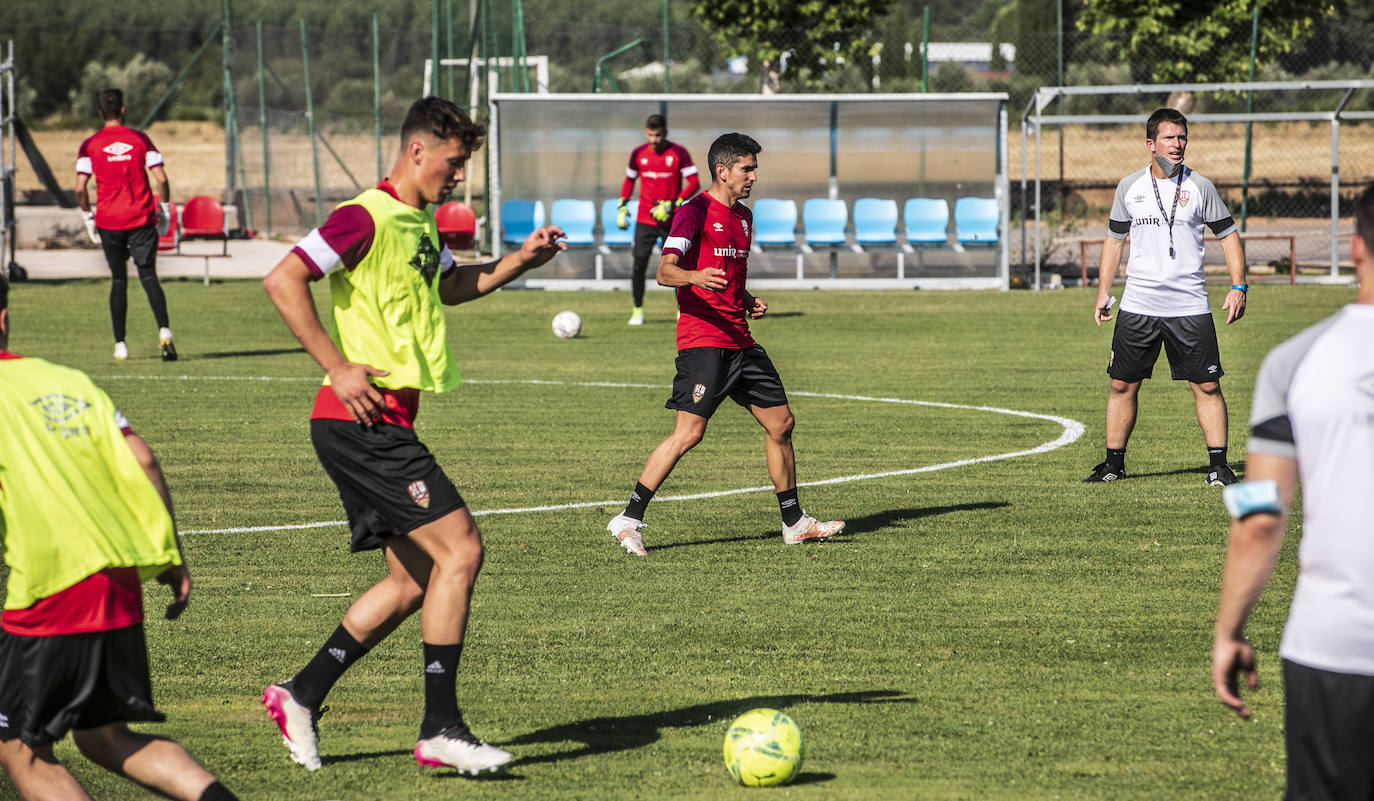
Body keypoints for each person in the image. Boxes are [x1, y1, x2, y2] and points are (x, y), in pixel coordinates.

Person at [259, 96, 565, 774]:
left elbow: (451, 287)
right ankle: (441, 727)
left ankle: (300, 693)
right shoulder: (363, 216)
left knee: (415, 576)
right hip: (362, 422)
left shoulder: (421, 225)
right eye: (454, 164)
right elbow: (283, 278)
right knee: (462, 548)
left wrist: (519, 260)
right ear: (417, 151)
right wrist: (336, 366)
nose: (459, 177)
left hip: (380, 423)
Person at [0, 276, 238, 801]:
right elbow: (143, 459)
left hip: (54, 585)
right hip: (119, 581)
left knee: (21, 748)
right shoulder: (70, 381)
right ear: (4, 319)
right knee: (105, 737)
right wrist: (170, 556)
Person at [605, 132, 844, 556]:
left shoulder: (745, 217)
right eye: (746, 168)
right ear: (723, 170)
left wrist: (747, 300)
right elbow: (664, 271)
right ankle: (629, 518)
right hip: (703, 339)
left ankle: (794, 523)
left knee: (781, 424)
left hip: (739, 338)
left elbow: (729, 273)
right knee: (688, 433)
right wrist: (695, 277)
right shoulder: (693, 211)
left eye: (754, 168)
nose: (753, 176)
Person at [1211, 183, 1374, 800]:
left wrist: (1230, 631)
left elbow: (1259, 516)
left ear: (1355, 246)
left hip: (1334, 647)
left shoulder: (1295, 362)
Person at [1087, 107, 1248, 486]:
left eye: (1182, 137)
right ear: (1150, 144)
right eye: (1169, 138)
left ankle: (1219, 466)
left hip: (1189, 305)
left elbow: (1229, 236)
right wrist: (1103, 292)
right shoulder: (1129, 187)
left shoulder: (1200, 187)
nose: (1178, 145)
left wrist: (1239, 285)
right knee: (1122, 384)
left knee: (1207, 386)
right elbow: (1114, 241)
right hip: (1138, 304)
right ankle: (1113, 464)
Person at [75, 88, 177, 363]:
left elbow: (80, 187)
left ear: (100, 113)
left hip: (109, 221)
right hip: (141, 218)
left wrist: (88, 216)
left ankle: (120, 344)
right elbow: (162, 179)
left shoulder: (90, 144)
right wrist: (164, 209)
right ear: (123, 110)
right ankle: (164, 331)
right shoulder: (140, 139)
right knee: (148, 276)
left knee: (118, 281)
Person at [617, 114, 699, 326]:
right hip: (645, 220)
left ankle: (683, 311)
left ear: (665, 133)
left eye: (658, 135)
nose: (654, 140)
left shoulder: (678, 152)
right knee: (638, 266)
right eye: (650, 135)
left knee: (677, 266)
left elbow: (694, 182)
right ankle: (637, 310)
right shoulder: (638, 154)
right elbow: (629, 180)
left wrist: (674, 203)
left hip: (671, 222)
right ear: (646, 133)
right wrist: (622, 204)